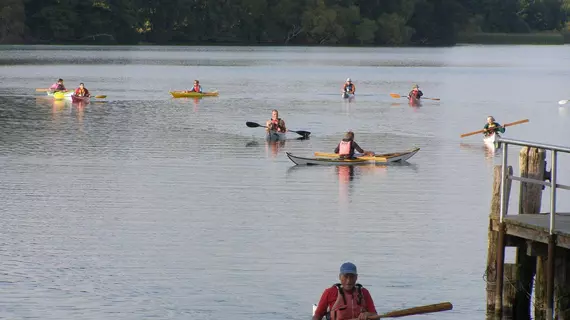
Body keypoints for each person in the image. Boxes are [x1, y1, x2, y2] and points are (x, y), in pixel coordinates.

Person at [312, 262, 378, 320]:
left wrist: (368, 314)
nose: (348, 281)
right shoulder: (329, 292)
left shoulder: (364, 292)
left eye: (352, 277)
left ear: (356, 277)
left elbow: (376, 316)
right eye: (346, 276)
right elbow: (318, 315)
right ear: (340, 277)